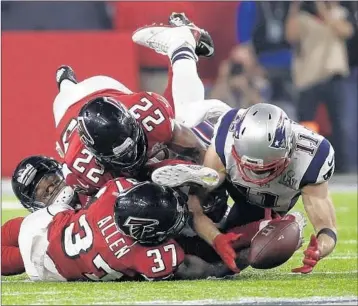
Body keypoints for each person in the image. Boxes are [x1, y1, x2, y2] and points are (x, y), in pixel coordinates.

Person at [152, 103, 337, 274]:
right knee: (203, 196)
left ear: (289, 153)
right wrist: (215, 238)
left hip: (265, 204)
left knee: (227, 257)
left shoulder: (311, 159)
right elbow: (196, 208)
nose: (254, 175)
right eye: (248, 166)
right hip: (228, 181)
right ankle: (181, 154)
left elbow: (327, 229)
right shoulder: (225, 142)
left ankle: (277, 225)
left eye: (265, 170)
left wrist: (319, 249)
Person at [16, 177, 234, 281]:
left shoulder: (114, 190)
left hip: (42, 226)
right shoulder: (140, 255)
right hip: (50, 272)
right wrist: (239, 261)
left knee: (10, 241)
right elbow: (207, 270)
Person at [2, 155, 78, 276]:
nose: (53, 189)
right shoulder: (38, 227)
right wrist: (31, 254)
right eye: (43, 192)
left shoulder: (89, 188)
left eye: (53, 180)